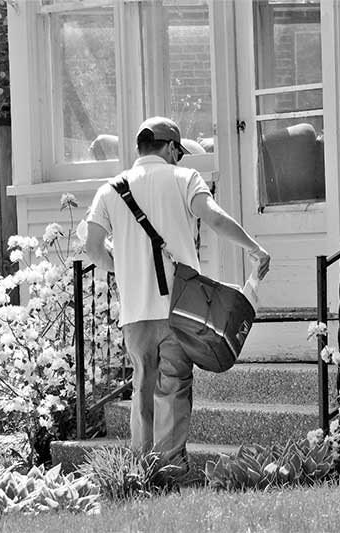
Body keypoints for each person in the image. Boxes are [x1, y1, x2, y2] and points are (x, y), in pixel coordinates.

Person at [85, 116, 271, 470]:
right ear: (169, 147)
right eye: (178, 152)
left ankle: (140, 469)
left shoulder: (110, 189)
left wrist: (122, 267)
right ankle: (169, 468)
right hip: (179, 308)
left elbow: (93, 248)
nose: (179, 159)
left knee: (142, 388)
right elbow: (214, 218)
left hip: (136, 313)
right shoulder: (185, 178)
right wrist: (255, 249)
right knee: (173, 386)